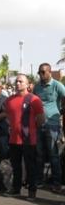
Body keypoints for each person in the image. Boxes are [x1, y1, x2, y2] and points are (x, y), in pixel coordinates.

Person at [5, 74, 45, 199]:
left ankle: (32, 192)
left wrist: (31, 129)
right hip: (13, 139)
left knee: (30, 167)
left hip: (29, 140)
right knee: (16, 167)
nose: (18, 83)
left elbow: (41, 119)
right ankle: (16, 189)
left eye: (21, 81)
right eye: (16, 81)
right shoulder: (9, 100)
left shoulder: (34, 99)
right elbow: (8, 117)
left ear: (27, 84)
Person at [33, 63, 65, 192]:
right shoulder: (37, 87)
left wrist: (61, 113)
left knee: (53, 155)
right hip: (39, 125)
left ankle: (57, 183)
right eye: (39, 72)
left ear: (49, 72)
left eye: (43, 72)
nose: (40, 74)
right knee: (39, 154)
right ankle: (39, 180)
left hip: (53, 125)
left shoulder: (57, 85)